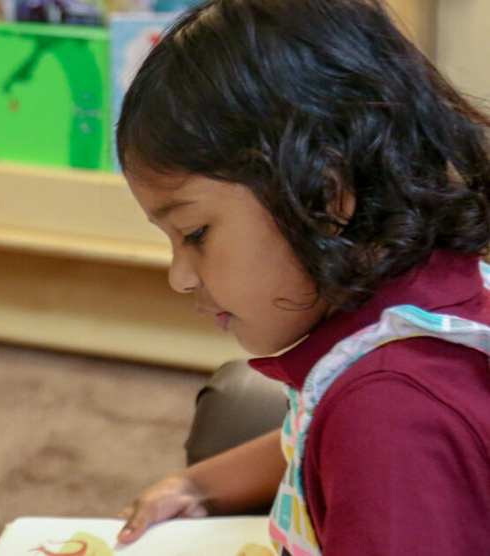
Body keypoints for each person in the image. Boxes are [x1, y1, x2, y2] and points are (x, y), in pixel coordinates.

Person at [113, 0, 490, 554]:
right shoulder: (418, 310)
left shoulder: (391, 417)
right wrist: (199, 484)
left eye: (194, 234)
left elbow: (369, 432)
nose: (179, 277)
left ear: (324, 195)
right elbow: (317, 430)